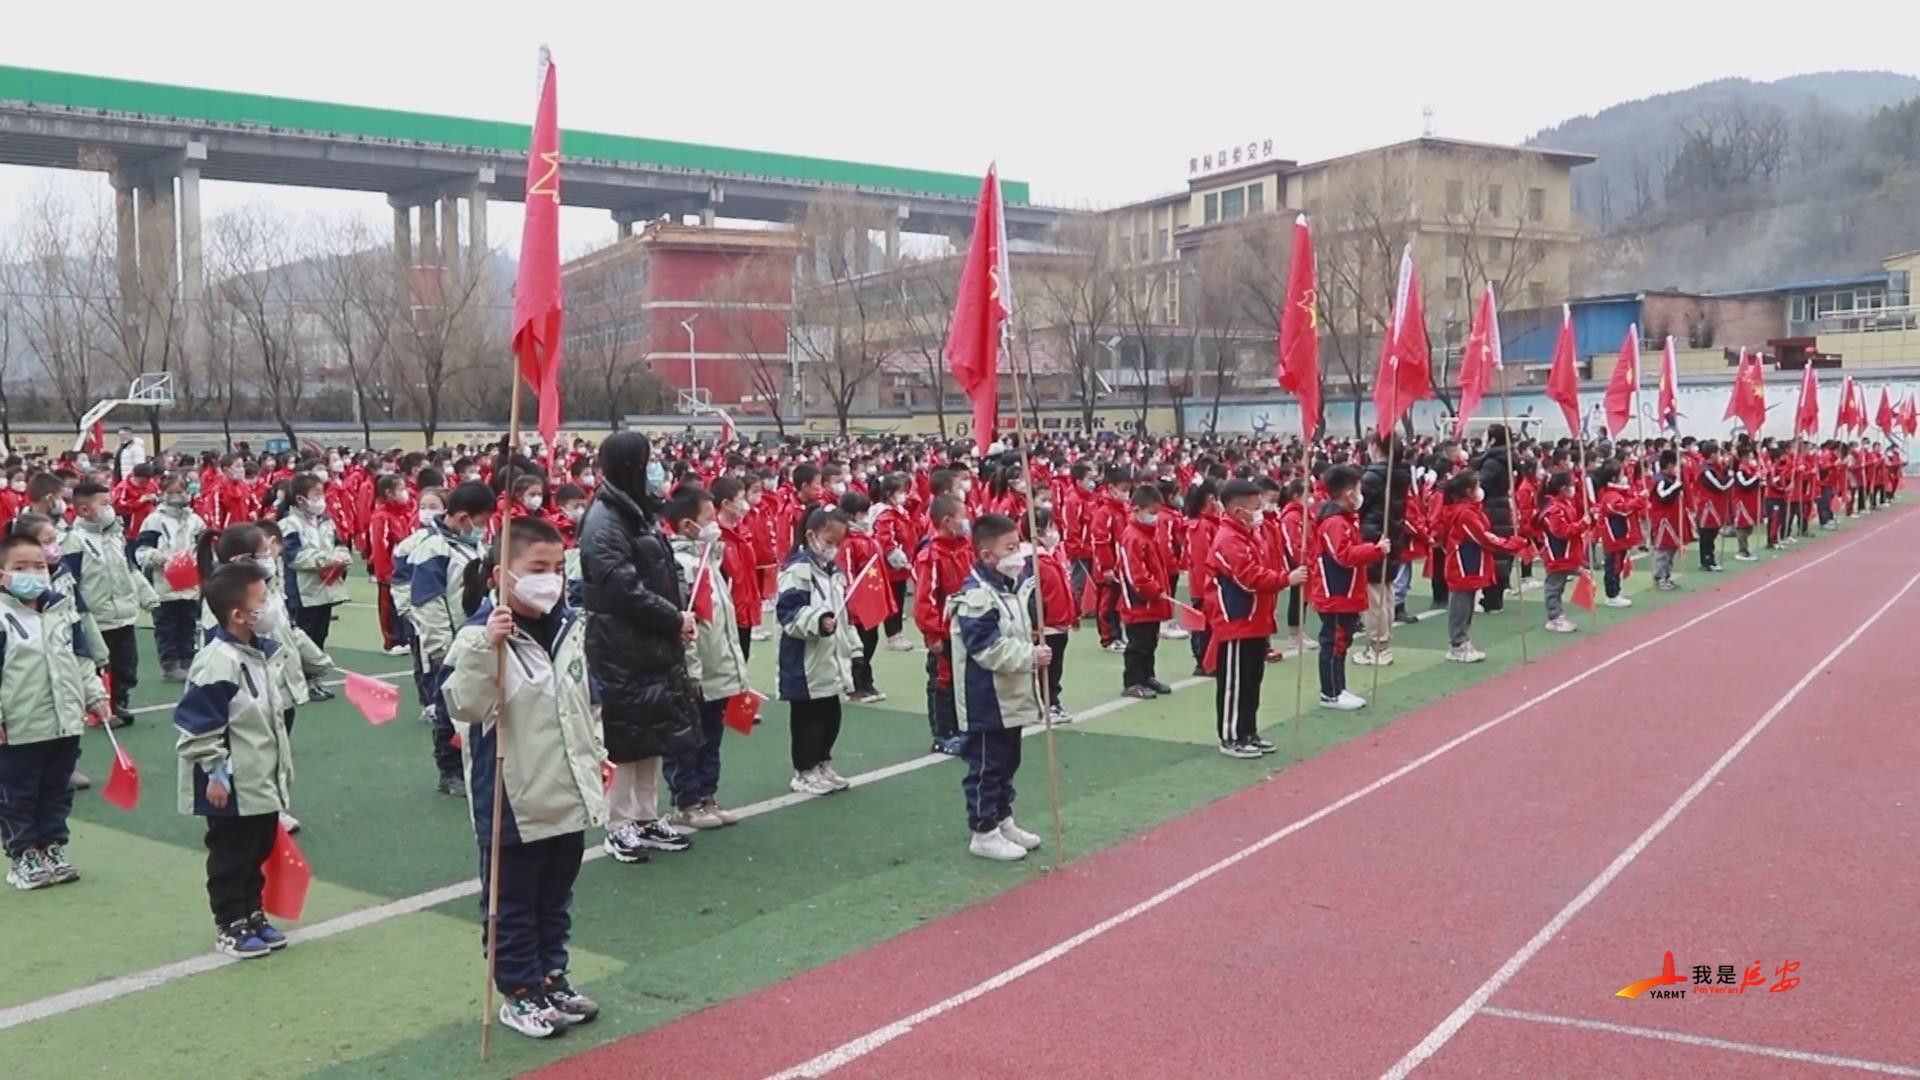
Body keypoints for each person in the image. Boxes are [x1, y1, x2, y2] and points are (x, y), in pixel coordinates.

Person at [441, 518, 606, 1039]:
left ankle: (551, 975)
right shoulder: (480, 636)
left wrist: (598, 756)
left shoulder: (569, 626)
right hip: (513, 798)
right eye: (537, 568)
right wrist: (483, 646)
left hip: (567, 790)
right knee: (511, 902)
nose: (551, 579)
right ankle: (518, 990)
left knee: (555, 894)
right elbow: (464, 705)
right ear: (501, 575)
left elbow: (584, 703)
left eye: (558, 568)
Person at [577, 432, 702, 865]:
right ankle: (618, 824)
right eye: (650, 461)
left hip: (650, 640)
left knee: (651, 729)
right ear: (631, 465)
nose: (658, 470)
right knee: (624, 734)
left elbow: (659, 572)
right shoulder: (605, 520)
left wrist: (676, 617)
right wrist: (672, 618)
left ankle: (647, 816)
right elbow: (622, 589)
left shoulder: (637, 512)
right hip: (621, 642)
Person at [172, 562, 293, 958]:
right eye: (263, 600)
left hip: (260, 776)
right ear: (239, 615)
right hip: (230, 780)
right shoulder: (218, 661)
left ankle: (252, 911)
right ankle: (230, 922)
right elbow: (198, 723)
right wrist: (215, 770)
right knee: (230, 853)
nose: (271, 606)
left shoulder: (260, 653)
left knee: (257, 847)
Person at [0, 533, 109, 890]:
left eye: (38, 566)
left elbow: (80, 658)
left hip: (64, 723)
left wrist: (95, 696)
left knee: (57, 789)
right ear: (3, 574)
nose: (32, 573)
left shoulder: (62, 608)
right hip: (19, 727)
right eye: (20, 567)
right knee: (18, 793)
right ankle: (23, 854)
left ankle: (52, 847)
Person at [949, 513, 1049, 862]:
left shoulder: (1008, 588)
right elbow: (987, 649)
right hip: (987, 697)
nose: (1017, 555)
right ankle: (983, 829)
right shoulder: (978, 597)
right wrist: (1031, 655)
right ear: (987, 555)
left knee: (1008, 761)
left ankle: (1002, 818)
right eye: (1009, 548)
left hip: (1010, 695)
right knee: (987, 765)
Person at [662, 485, 746, 832]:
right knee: (687, 739)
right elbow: (688, 622)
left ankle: (707, 795)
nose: (715, 524)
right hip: (694, 673)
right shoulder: (680, 565)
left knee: (711, 737)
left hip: (718, 667)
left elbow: (722, 622)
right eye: (708, 519)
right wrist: (691, 671)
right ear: (686, 525)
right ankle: (686, 801)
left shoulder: (710, 559)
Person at [1206, 479, 1303, 757]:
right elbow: (1249, 578)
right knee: (1235, 683)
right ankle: (1231, 736)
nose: (1261, 511)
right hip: (1236, 622)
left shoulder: (1252, 534)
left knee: (1252, 680)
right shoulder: (1228, 540)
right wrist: (1287, 579)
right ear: (1238, 511)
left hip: (1256, 620)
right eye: (1256, 507)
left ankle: (1249, 730)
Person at [777, 507, 857, 797]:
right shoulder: (798, 569)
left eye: (839, 542)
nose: (833, 547)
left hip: (830, 659)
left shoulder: (832, 572)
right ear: (811, 535)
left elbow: (843, 615)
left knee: (830, 715)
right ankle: (805, 770)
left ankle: (823, 761)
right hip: (805, 661)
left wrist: (853, 646)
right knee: (807, 719)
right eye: (829, 540)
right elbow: (787, 613)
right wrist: (818, 621)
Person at [61, 484, 156, 726]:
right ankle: (102, 708)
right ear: (84, 509)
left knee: (126, 665)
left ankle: (120, 701)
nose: (110, 508)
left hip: (123, 613)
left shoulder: (116, 536)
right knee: (101, 665)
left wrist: (147, 594)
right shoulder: (74, 541)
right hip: (96, 617)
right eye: (103, 504)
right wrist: (79, 612)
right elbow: (70, 580)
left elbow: (129, 568)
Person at [1307, 465, 1389, 711]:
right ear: (1349, 493)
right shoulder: (1334, 522)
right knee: (1334, 642)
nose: (1360, 494)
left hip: (1346, 592)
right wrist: (1375, 550)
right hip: (1336, 592)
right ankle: (1330, 692)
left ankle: (1338, 688)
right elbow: (1343, 555)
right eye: (1357, 489)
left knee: (1342, 642)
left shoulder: (1345, 520)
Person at [1438, 470, 1528, 662]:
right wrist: (1512, 544)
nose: (1480, 490)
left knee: (1468, 602)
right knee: (1460, 604)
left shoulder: (1472, 510)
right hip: (1463, 563)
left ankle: (1462, 640)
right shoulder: (1464, 514)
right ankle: (1457, 643)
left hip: (1471, 561)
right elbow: (1484, 537)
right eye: (1476, 486)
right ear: (1468, 491)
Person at [911, 494, 972, 755]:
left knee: (963, 679)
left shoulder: (965, 548)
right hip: (944, 632)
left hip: (965, 629)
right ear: (947, 521)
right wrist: (933, 633)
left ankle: (962, 727)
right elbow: (925, 599)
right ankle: (942, 732)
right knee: (942, 680)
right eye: (962, 516)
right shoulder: (932, 555)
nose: (967, 521)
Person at [133, 474, 206, 682]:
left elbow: (205, 546)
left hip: (189, 582)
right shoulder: (154, 520)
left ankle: (187, 661)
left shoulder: (195, 520)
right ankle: (170, 664)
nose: (177, 496)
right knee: (166, 626)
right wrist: (155, 557)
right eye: (171, 492)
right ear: (163, 493)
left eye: (180, 491)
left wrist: (200, 560)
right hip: (164, 583)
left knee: (189, 623)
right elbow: (141, 550)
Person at [280, 475, 352, 651]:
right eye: (316, 495)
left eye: (322, 494)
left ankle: (314, 674)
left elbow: (338, 544)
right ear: (300, 499)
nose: (321, 500)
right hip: (303, 592)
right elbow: (294, 557)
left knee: (320, 634)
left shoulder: (326, 521)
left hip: (325, 589)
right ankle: (302, 675)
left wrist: (342, 556)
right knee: (303, 636)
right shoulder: (289, 524)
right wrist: (325, 560)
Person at [1117, 485, 1173, 699]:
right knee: (1138, 645)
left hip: (1152, 602)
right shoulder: (1132, 536)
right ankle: (1132, 681)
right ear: (1136, 509)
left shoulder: (1148, 534)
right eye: (1151, 513)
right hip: (1138, 602)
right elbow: (1135, 574)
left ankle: (1147, 676)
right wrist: (1153, 590)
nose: (1155, 517)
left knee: (1150, 641)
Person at [1031, 506, 1076, 724]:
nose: (1055, 532)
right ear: (1038, 532)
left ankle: (1053, 700)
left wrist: (1071, 615)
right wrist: (1034, 625)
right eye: (1050, 528)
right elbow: (1034, 597)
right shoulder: (1034, 561)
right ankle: (1045, 704)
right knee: (1045, 669)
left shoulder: (1053, 556)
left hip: (1060, 624)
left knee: (1055, 667)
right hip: (1046, 626)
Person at [1536, 472, 1587, 633]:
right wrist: (1582, 525)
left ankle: (1558, 615)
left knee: (1560, 585)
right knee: (1554, 586)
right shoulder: (1553, 510)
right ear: (1563, 488)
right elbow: (1561, 531)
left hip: (1566, 553)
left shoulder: (1564, 504)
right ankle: (1554, 617)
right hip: (1556, 553)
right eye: (1571, 485)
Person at [1594, 463, 1644, 608]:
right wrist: (1639, 500)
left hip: (1621, 536)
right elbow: (1623, 509)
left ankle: (1616, 592)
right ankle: (1612, 594)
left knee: (1618, 565)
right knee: (1613, 566)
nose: (1625, 478)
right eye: (1622, 475)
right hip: (1614, 537)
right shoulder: (1610, 496)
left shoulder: (1619, 493)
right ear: (1614, 478)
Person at [1648, 450, 1685, 592]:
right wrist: (1676, 487)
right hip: (1663, 519)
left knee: (1671, 548)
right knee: (1663, 548)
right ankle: (1659, 577)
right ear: (1669, 465)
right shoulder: (1661, 480)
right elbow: (1662, 496)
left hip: (1672, 518)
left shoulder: (1671, 478)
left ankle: (1667, 575)